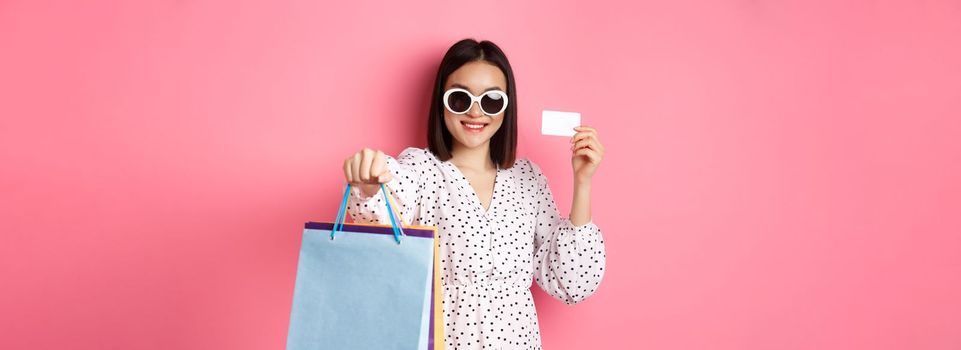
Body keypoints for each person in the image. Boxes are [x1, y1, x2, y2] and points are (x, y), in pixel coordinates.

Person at [342, 38, 606, 349]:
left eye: (492, 100)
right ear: (442, 102)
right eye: (460, 98)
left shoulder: (528, 179)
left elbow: (572, 282)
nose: (476, 112)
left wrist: (583, 181)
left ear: (507, 108)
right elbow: (384, 204)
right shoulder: (421, 169)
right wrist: (371, 181)